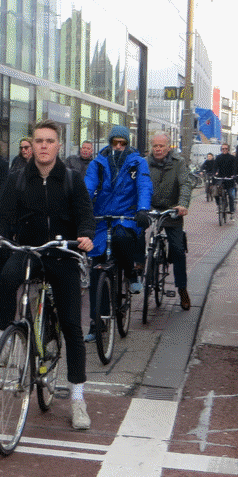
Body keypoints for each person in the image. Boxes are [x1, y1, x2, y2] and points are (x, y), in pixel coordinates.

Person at [0, 120, 95, 431]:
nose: (44, 146)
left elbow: (85, 214)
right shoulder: (17, 179)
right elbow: (3, 217)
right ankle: (6, 337)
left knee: (72, 326)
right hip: (29, 250)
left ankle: (77, 398)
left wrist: (85, 235)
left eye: (50, 141)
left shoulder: (71, 179)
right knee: (7, 278)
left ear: (59, 146)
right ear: (31, 145)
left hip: (62, 254)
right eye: (39, 141)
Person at [83, 126, 152, 341]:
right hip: (102, 218)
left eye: (123, 143)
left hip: (127, 216)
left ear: (127, 143)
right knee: (96, 269)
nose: (119, 146)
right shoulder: (98, 163)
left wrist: (143, 209)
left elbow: (144, 185)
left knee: (122, 239)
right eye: (115, 142)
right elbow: (88, 187)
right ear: (110, 142)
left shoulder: (137, 162)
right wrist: (82, 208)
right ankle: (97, 322)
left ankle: (131, 273)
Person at [146, 133, 191, 311]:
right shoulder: (145, 162)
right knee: (133, 231)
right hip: (151, 208)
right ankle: (138, 268)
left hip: (172, 210)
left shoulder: (178, 162)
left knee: (178, 250)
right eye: (155, 146)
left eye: (161, 146)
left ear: (168, 147)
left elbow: (185, 184)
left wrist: (183, 204)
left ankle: (182, 289)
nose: (158, 149)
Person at [213, 142, 237, 218]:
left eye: (226, 148)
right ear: (221, 149)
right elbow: (215, 167)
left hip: (229, 179)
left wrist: (234, 175)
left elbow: (235, 167)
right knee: (216, 192)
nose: (224, 150)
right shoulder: (218, 157)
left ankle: (232, 210)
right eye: (223, 148)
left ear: (228, 149)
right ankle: (219, 205)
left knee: (231, 195)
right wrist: (214, 173)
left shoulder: (232, 158)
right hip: (220, 178)